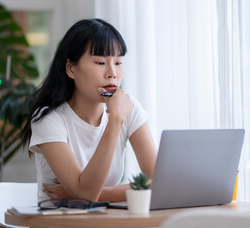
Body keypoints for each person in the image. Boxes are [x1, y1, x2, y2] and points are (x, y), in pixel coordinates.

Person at [21, 19, 157, 203]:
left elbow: (158, 182)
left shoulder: (128, 107)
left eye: (118, 62)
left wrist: (96, 194)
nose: (112, 73)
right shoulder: (49, 119)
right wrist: (115, 120)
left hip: (105, 220)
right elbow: (86, 193)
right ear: (70, 69)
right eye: (100, 62)